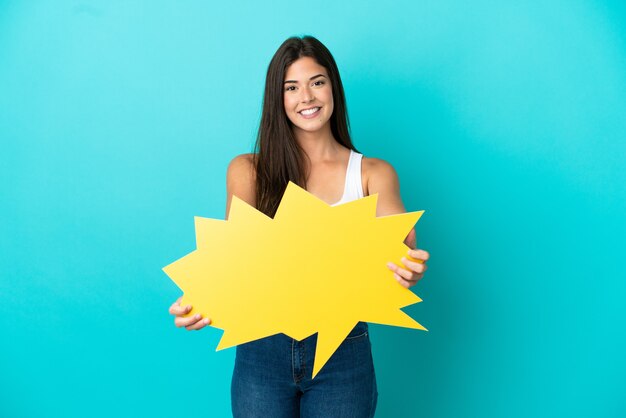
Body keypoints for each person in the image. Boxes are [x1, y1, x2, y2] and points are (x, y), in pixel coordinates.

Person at [169, 35, 430, 417]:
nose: (306, 97)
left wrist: (409, 267)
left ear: (333, 88)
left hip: (343, 351)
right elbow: (232, 262)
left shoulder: (373, 173)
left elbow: (401, 246)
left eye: (317, 82)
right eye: (291, 87)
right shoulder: (249, 171)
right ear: (278, 99)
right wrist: (198, 302)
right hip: (261, 350)